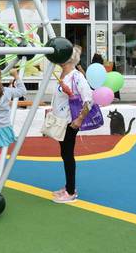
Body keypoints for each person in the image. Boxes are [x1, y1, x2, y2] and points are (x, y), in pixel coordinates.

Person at [49, 46, 92, 203]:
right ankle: (68, 187)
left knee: (67, 155)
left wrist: (79, 119)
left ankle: (71, 191)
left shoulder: (77, 76)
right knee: (65, 154)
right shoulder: (64, 74)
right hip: (61, 120)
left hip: (69, 122)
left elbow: (89, 99)